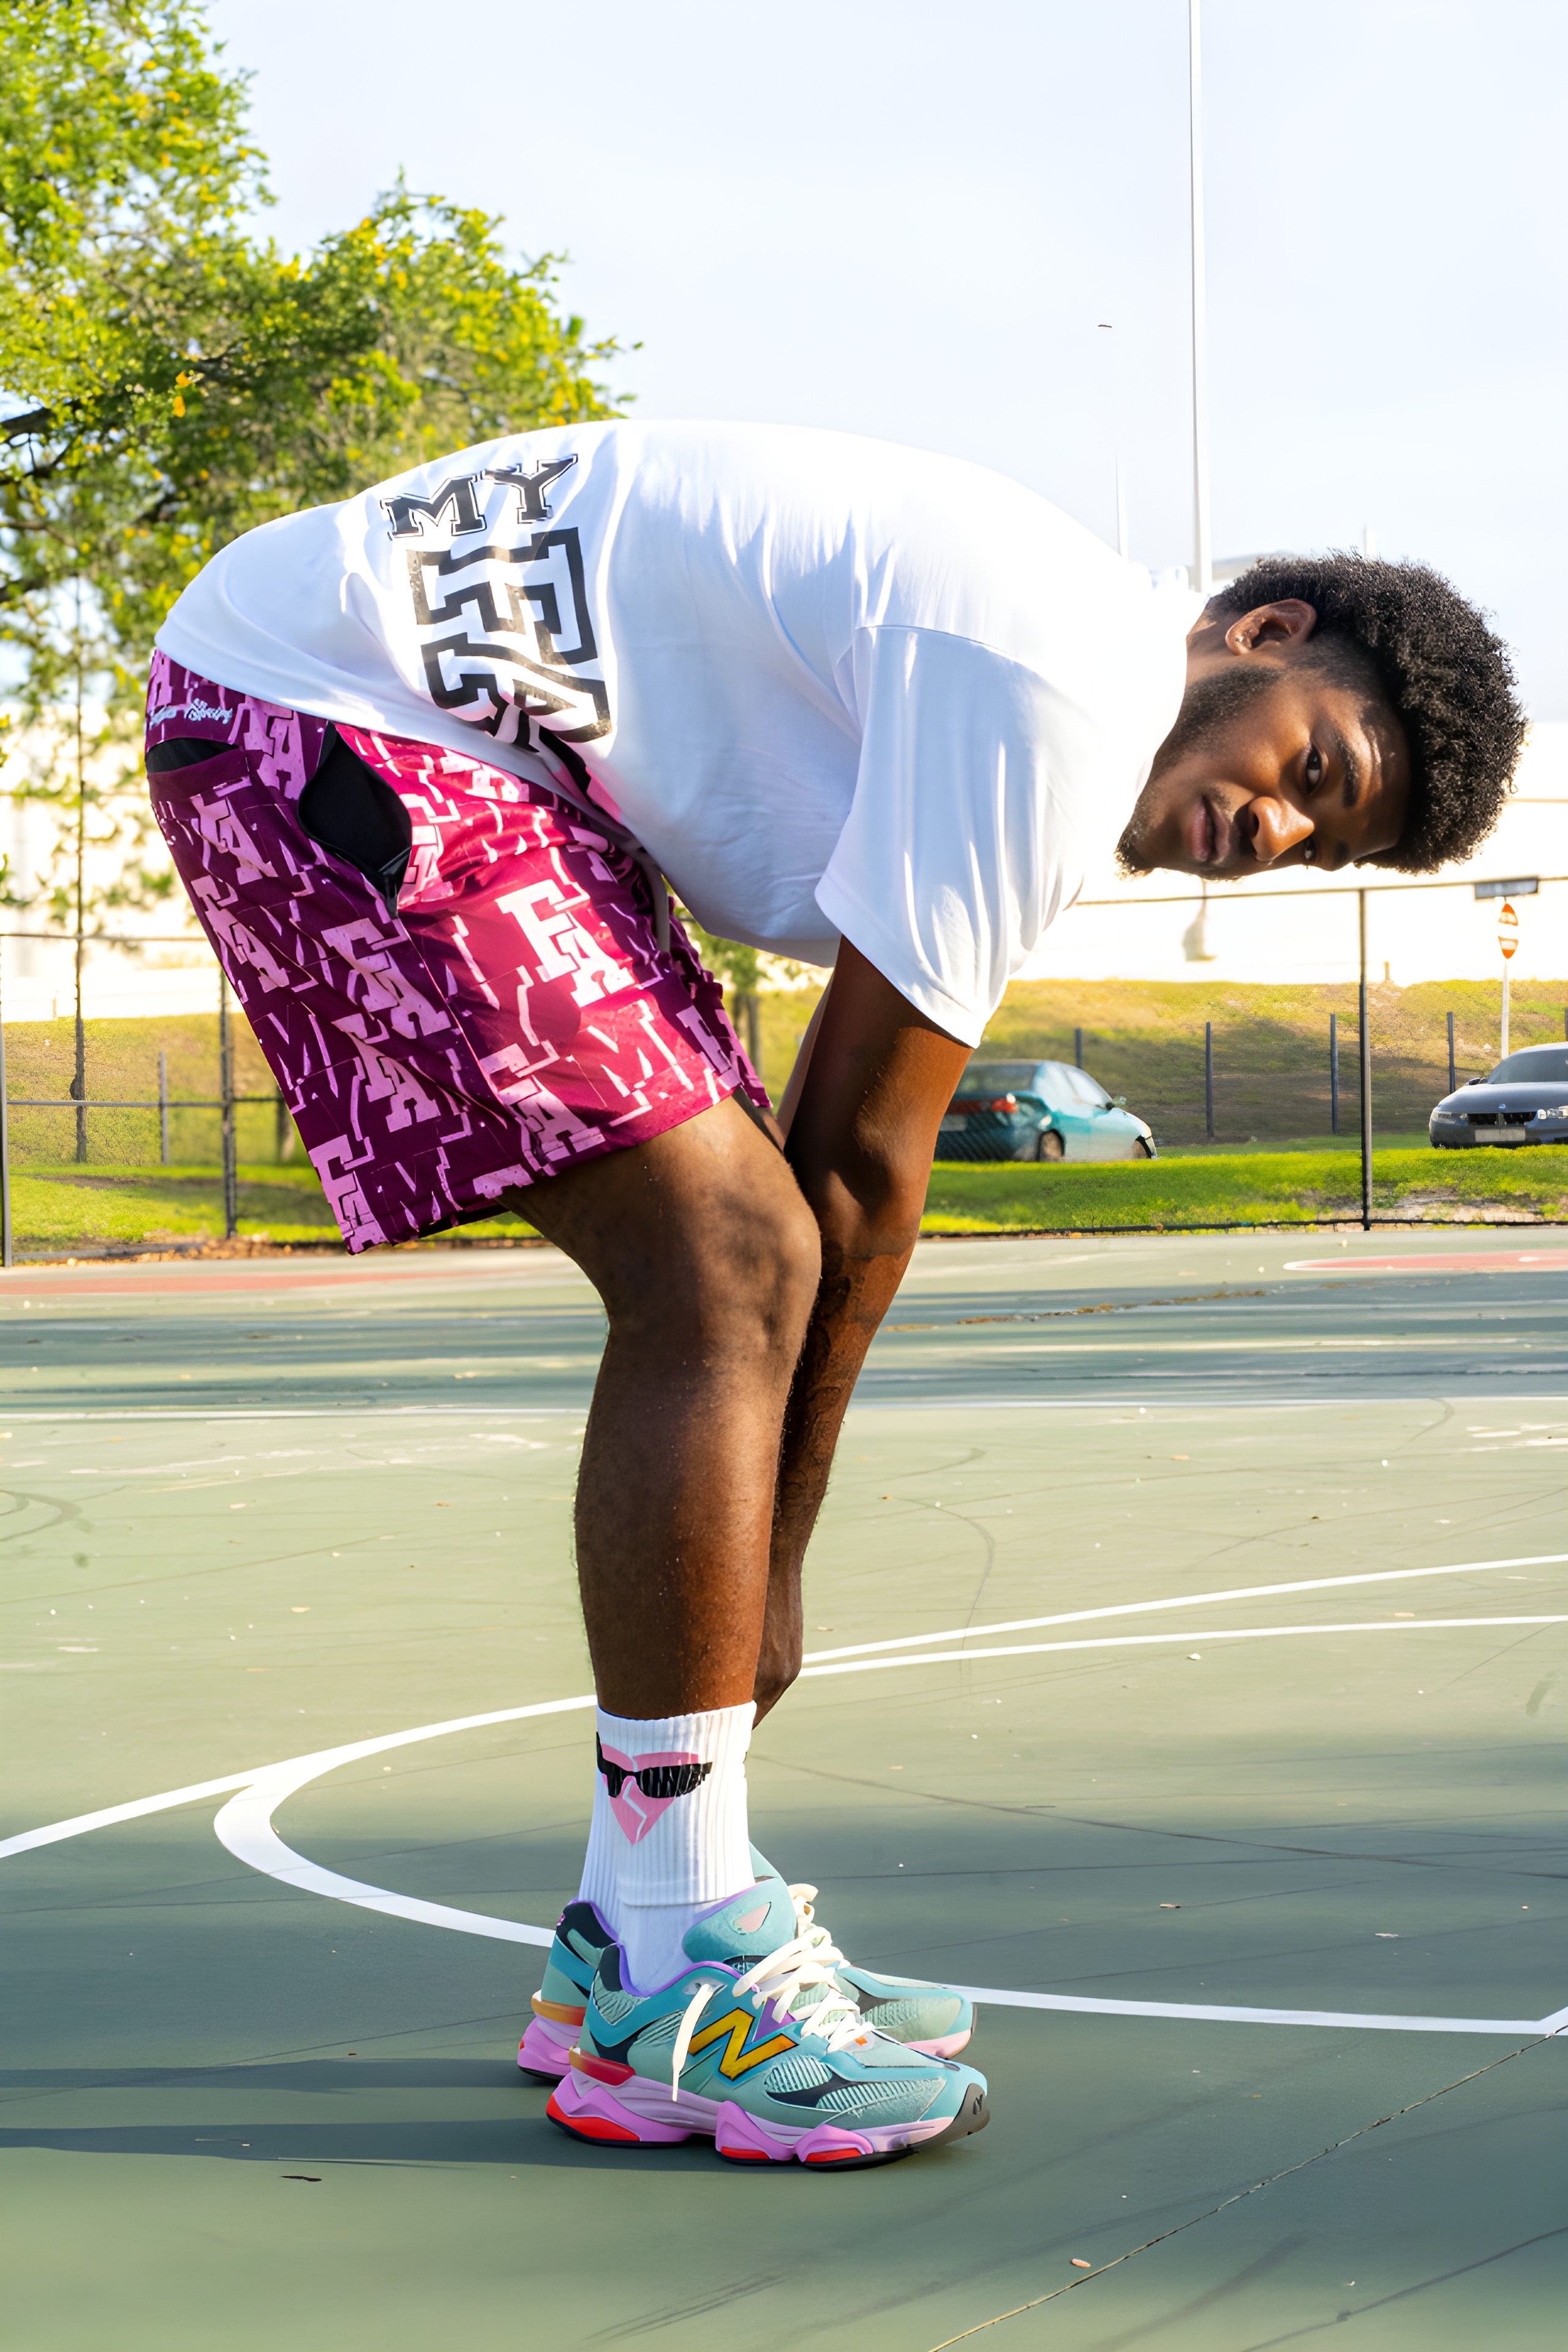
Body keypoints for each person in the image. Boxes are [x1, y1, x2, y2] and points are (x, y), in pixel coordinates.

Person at [146, 420, 1524, 2167]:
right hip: (321, 708)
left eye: (1320, 844)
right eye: (1314, 769)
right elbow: (863, 1170)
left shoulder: (1045, 655)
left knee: (740, 1253)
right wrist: (770, 1577)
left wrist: (754, 1584)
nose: (1272, 830)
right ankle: (673, 1969)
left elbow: (843, 1154)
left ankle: (624, 1935)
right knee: (730, 1257)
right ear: (1266, 632)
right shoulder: (1056, 686)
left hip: (426, 727)